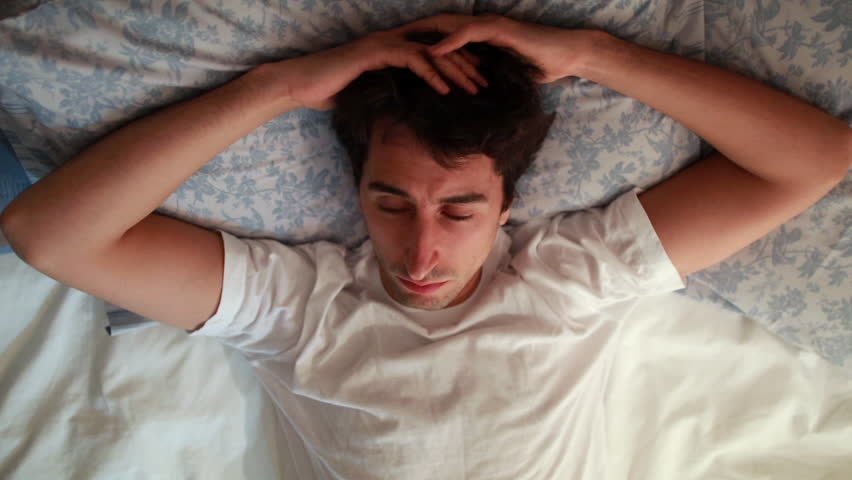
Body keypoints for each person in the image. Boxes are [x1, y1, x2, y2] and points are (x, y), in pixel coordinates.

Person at [1, 12, 849, 478]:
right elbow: (46, 236)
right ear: (356, 188)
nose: (420, 254)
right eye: (391, 201)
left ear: (508, 202)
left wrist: (596, 54)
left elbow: (814, 159)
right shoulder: (298, 305)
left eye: (461, 210)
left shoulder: (568, 277)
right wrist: (280, 87)